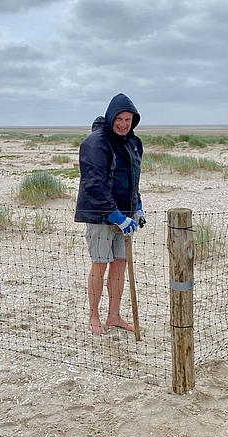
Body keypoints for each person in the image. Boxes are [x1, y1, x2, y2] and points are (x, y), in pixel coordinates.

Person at [74, 93, 145, 335]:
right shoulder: (96, 142)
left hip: (125, 215)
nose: (124, 123)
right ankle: (93, 316)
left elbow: (133, 180)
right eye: (119, 118)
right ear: (110, 116)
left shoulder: (133, 142)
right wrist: (114, 215)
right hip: (100, 215)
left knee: (119, 265)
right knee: (100, 265)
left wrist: (137, 206)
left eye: (129, 119)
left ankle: (114, 315)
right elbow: (94, 184)